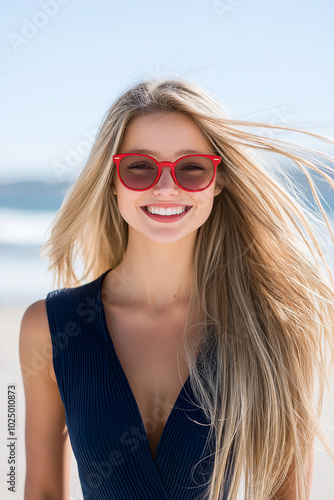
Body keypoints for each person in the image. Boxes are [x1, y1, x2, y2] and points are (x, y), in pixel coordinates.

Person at [19, 77, 334, 500]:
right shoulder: (50, 328)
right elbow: (40, 490)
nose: (166, 186)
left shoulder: (273, 330)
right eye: (140, 166)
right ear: (111, 180)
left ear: (218, 181)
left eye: (191, 167)